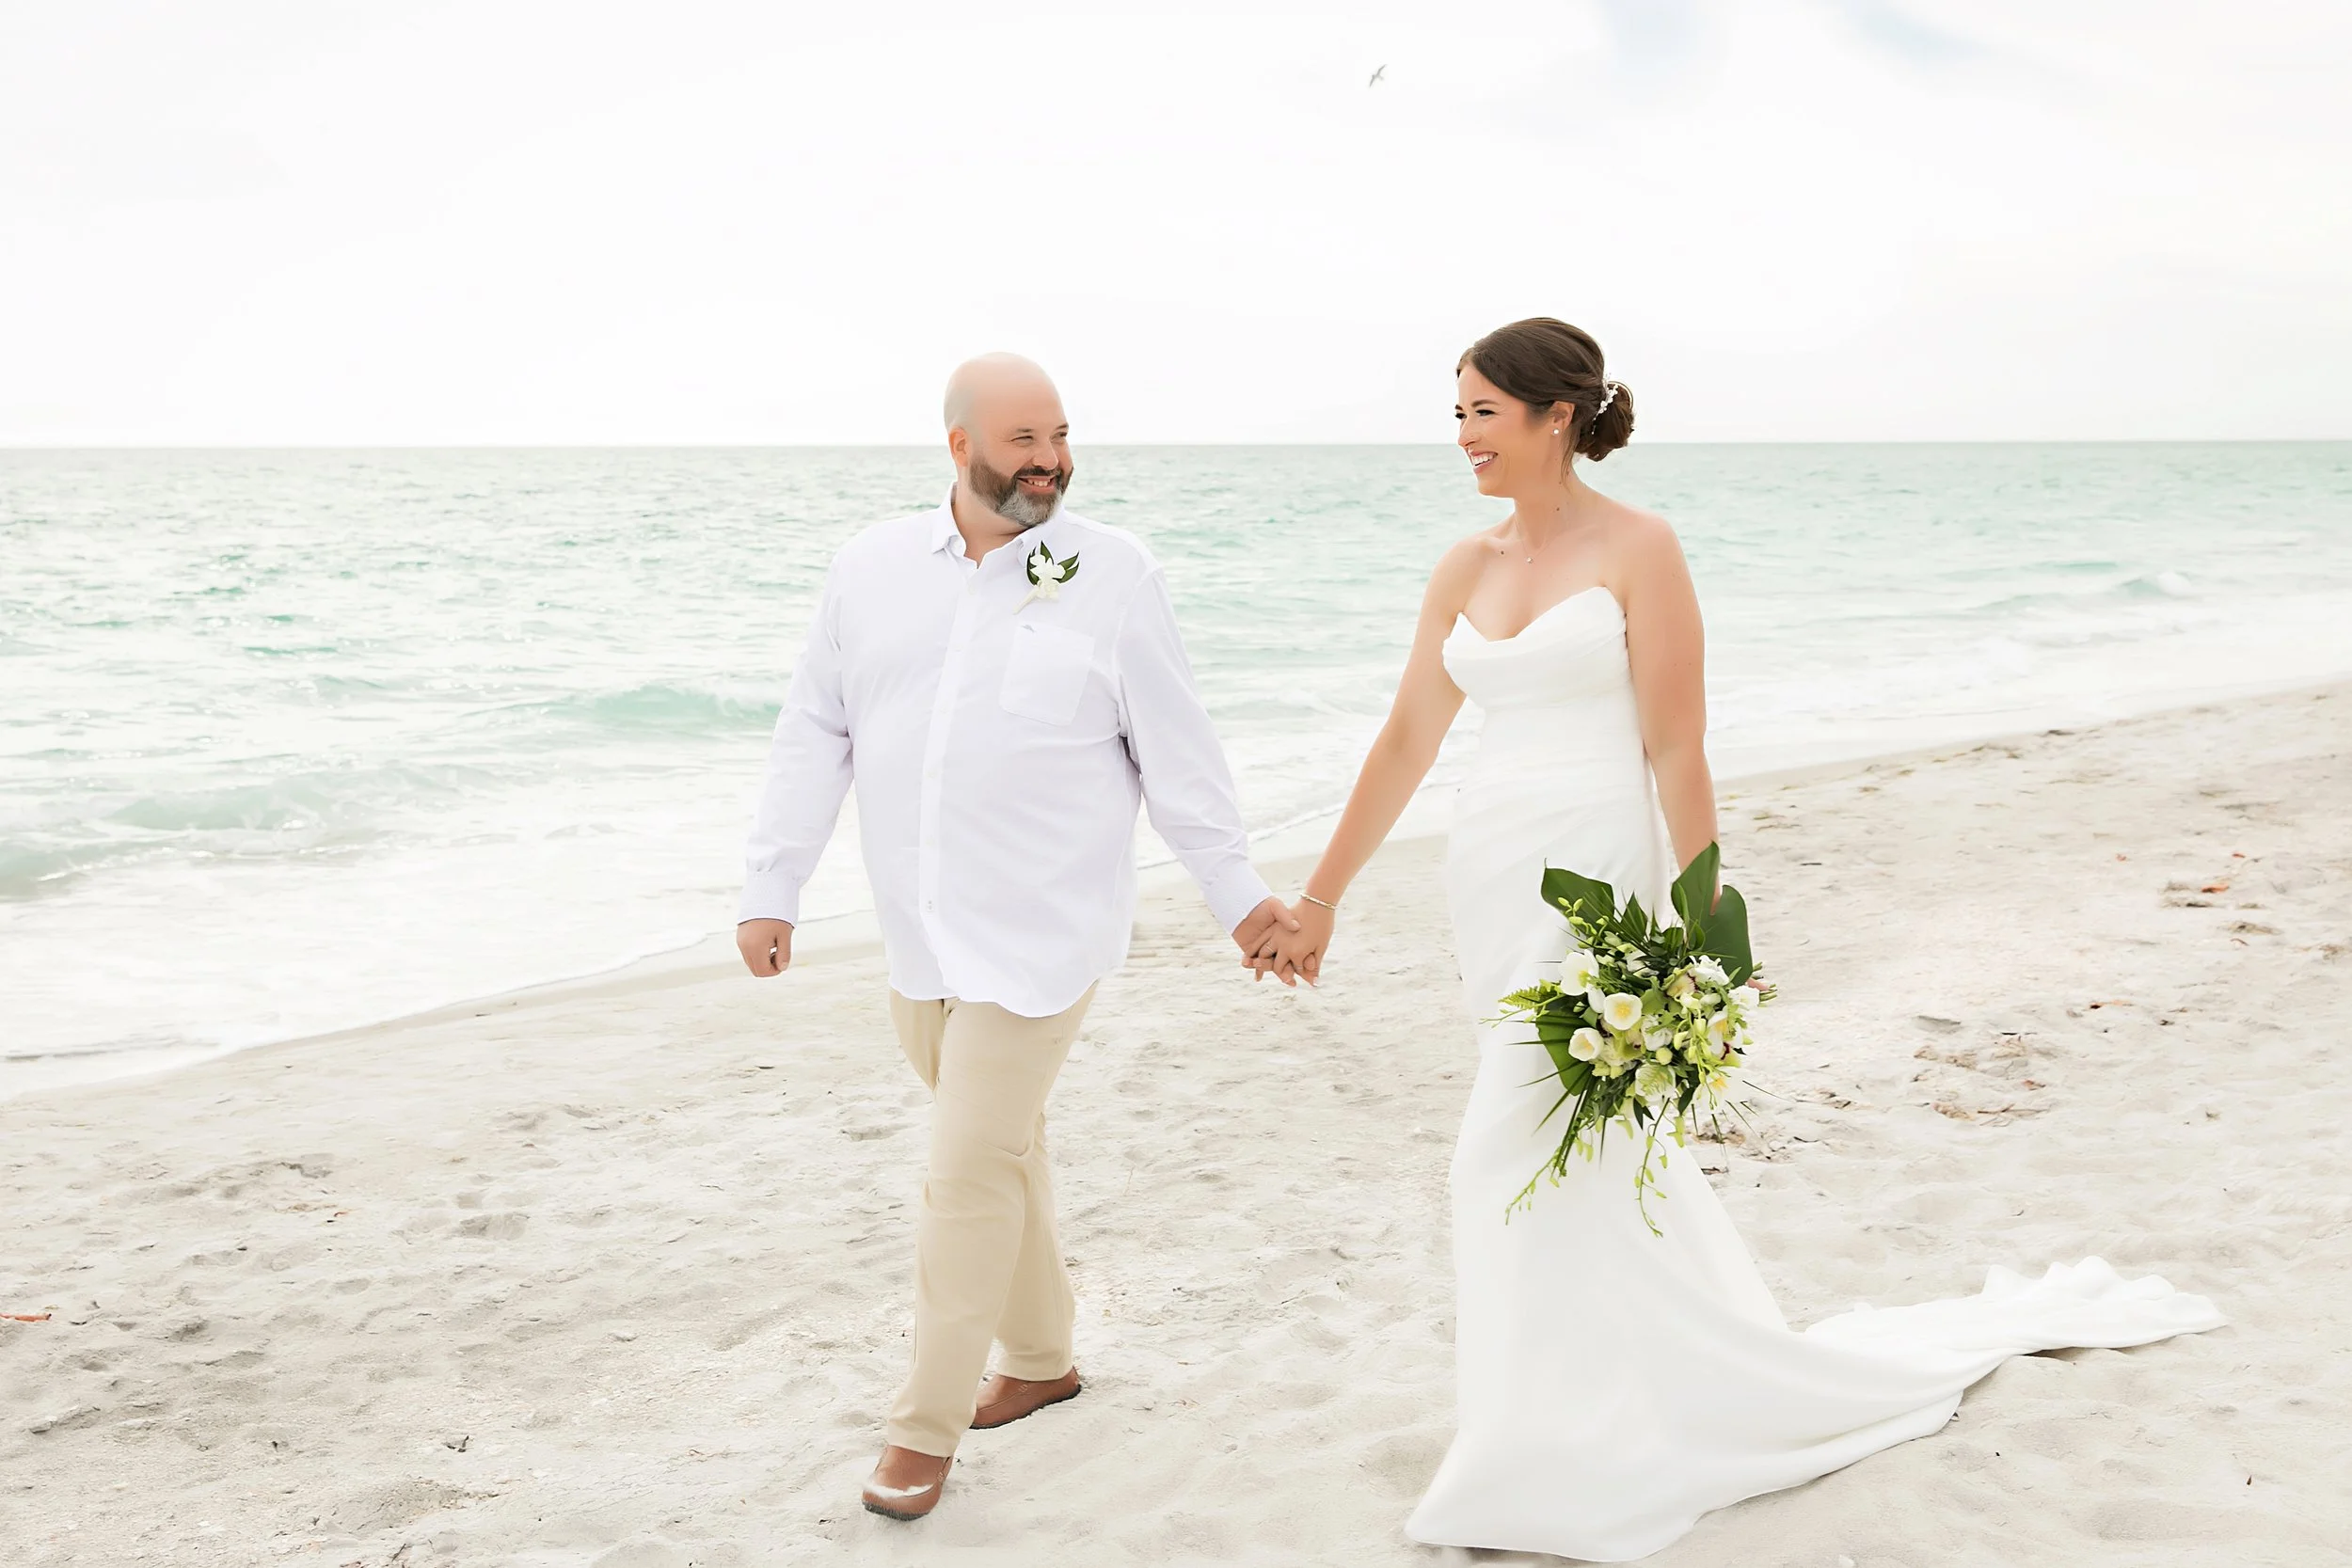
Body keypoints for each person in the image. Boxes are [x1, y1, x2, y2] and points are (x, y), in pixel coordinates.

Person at [1252, 318, 2224, 1560]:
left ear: (1557, 416)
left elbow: (1676, 741)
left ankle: (1527, 1447)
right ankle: (1612, 1396)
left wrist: (1705, 919)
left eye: (1483, 412)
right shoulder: (1462, 565)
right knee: (1585, 1152)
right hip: (1489, 875)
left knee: (1499, 1153)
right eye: (1458, 412)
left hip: (1598, 873)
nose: (1463, 436)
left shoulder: (1640, 547)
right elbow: (1405, 740)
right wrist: (1320, 897)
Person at [735, 353, 1301, 1522]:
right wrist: (773, 883)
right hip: (917, 937)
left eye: (1059, 436)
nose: (1050, 461)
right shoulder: (868, 569)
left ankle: (921, 1428)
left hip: (1044, 936)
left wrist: (1239, 897)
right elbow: (814, 730)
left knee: (961, 1175)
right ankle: (1041, 1359)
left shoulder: (1114, 573)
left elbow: (1177, 754)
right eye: (1022, 441)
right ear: (958, 446)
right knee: (1002, 1152)